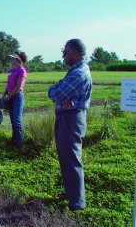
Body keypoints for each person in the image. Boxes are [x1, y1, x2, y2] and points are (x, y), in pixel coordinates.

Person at [48, 39, 92, 211]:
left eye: (65, 52)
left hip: (70, 120)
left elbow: (57, 93)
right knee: (67, 160)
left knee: (72, 161)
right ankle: (72, 196)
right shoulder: (75, 71)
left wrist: (54, 89)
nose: (63, 55)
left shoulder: (78, 74)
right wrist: (59, 90)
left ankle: (77, 204)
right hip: (67, 118)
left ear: (75, 52)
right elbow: (61, 92)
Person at [3, 51, 28, 148]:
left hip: (17, 97)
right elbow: (8, 85)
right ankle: (14, 140)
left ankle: (20, 142)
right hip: (10, 96)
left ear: (17, 60)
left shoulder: (22, 70)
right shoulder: (11, 70)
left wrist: (9, 96)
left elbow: (18, 87)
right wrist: (5, 93)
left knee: (17, 120)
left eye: (12, 58)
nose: (11, 60)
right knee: (13, 120)